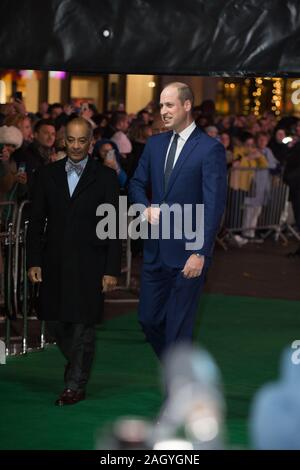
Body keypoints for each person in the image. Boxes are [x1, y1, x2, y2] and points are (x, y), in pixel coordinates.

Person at [27, 117, 121, 406]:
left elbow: (114, 226)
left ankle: (74, 384)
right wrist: (34, 261)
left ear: (91, 142)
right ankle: (79, 365)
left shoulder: (106, 177)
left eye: (83, 140)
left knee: (82, 324)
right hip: (53, 262)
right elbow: (35, 223)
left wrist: (111, 269)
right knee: (55, 321)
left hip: (90, 263)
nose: (77, 146)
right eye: (72, 140)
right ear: (63, 140)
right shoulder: (46, 174)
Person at [129, 82, 227, 359]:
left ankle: (177, 389)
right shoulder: (155, 144)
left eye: (169, 104)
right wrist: (144, 208)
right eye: (161, 105)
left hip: (188, 255)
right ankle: (179, 370)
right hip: (155, 250)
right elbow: (136, 183)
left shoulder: (210, 149)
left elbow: (213, 205)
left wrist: (200, 252)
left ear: (187, 105)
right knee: (148, 320)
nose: (163, 111)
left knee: (178, 329)